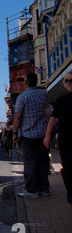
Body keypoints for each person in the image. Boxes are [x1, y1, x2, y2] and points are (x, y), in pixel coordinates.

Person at [13, 73, 50, 198]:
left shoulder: (22, 97)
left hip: (28, 134)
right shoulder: (44, 94)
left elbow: (17, 117)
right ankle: (44, 189)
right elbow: (48, 110)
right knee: (42, 162)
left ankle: (32, 190)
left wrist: (14, 133)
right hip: (42, 134)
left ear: (26, 83)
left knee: (30, 163)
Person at [44, 69, 72, 203]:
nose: (69, 83)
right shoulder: (63, 100)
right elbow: (54, 118)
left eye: (71, 80)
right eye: (67, 81)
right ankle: (70, 192)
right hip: (66, 138)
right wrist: (47, 135)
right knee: (67, 167)